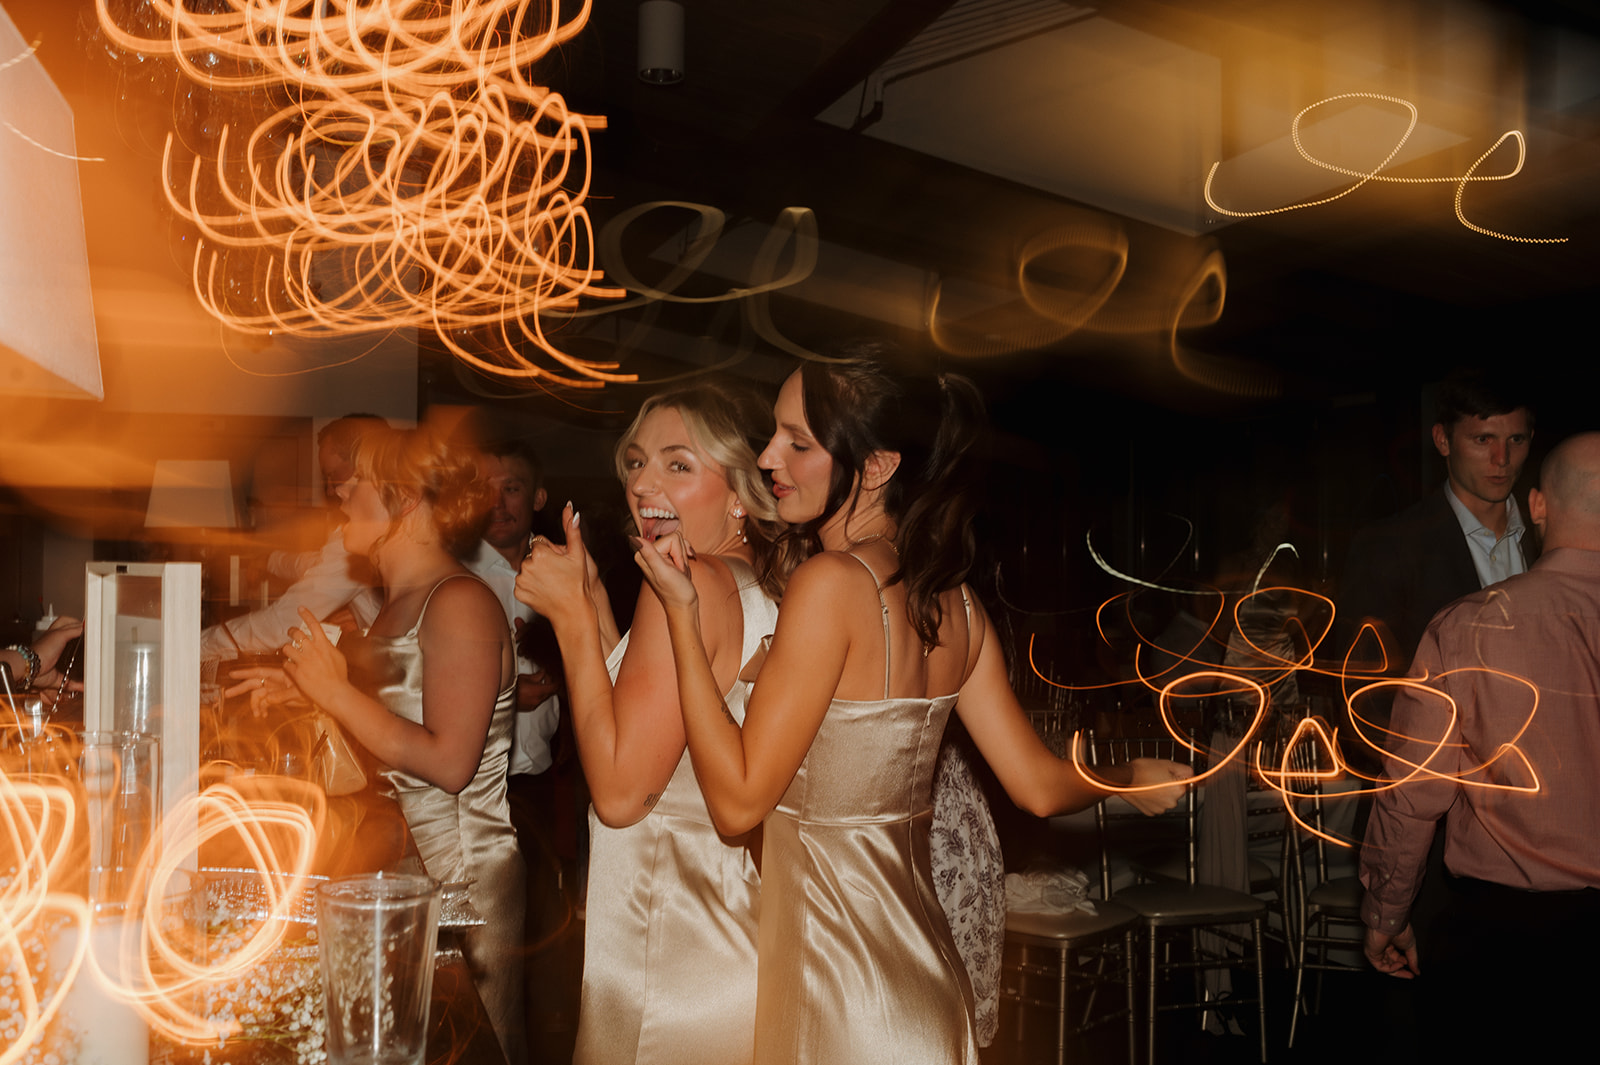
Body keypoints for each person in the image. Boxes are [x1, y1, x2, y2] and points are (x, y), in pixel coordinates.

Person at [634, 354, 1191, 1064]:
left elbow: (738, 804)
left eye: (798, 442)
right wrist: (1128, 776)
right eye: (774, 433)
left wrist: (682, 619)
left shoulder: (830, 584)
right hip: (925, 978)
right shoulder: (958, 603)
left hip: (838, 995)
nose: (768, 457)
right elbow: (1040, 787)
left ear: (877, 467)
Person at [228, 427, 526, 1064]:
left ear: (405, 500)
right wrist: (307, 693)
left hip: (460, 877)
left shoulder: (460, 602)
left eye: (354, 482)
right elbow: (391, 729)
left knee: (464, 1047)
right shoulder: (397, 604)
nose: (339, 493)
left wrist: (336, 694)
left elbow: (449, 762)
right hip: (402, 868)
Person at [514, 380, 785, 1065]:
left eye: (677, 463)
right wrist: (593, 599)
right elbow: (652, 717)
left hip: (664, 953)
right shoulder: (752, 583)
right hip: (730, 938)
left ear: (740, 493)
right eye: (635, 461)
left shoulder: (686, 591)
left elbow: (620, 793)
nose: (642, 483)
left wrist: (571, 622)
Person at [1359, 431, 1600, 1056]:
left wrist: (1387, 912)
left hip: (1507, 942)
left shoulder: (1468, 626)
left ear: (1538, 506)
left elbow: (1413, 793)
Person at [1342, 370, 1536, 679]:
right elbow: (1366, 686)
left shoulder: (1551, 535)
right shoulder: (1389, 547)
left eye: (1516, 439)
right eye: (1483, 439)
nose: (1502, 459)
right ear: (1443, 440)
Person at [201, 414, 386, 660]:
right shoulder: (358, 540)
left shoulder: (359, 538)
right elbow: (317, 564)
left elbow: (282, 623)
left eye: (334, 475)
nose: (331, 489)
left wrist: (193, 646)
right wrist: (269, 560)